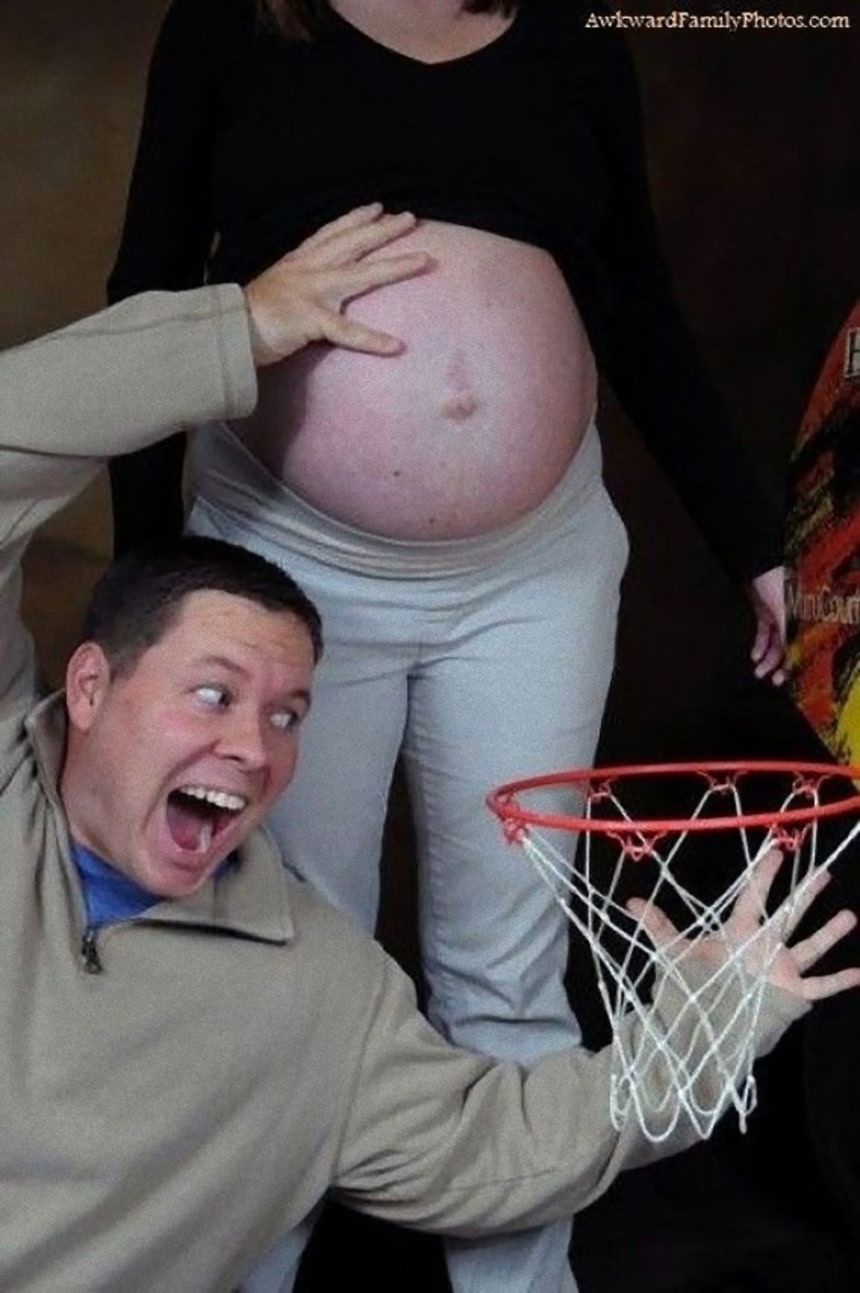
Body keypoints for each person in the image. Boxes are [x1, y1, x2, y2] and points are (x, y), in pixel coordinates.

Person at [1, 240, 856, 1293]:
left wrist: (694, 1042)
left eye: (288, 714)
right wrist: (234, 333)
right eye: (215, 694)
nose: (255, 746)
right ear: (90, 686)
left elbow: (491, 1153)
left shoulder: (319, 990)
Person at [106, 3, 787, 1287]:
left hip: (535, 574)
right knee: (284, 964)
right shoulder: (233, 24)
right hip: (285, 564)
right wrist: (151, 583)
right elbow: (145, 295)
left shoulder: (573, 37)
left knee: (511, 971)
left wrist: (749, 537)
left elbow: (636, 300)